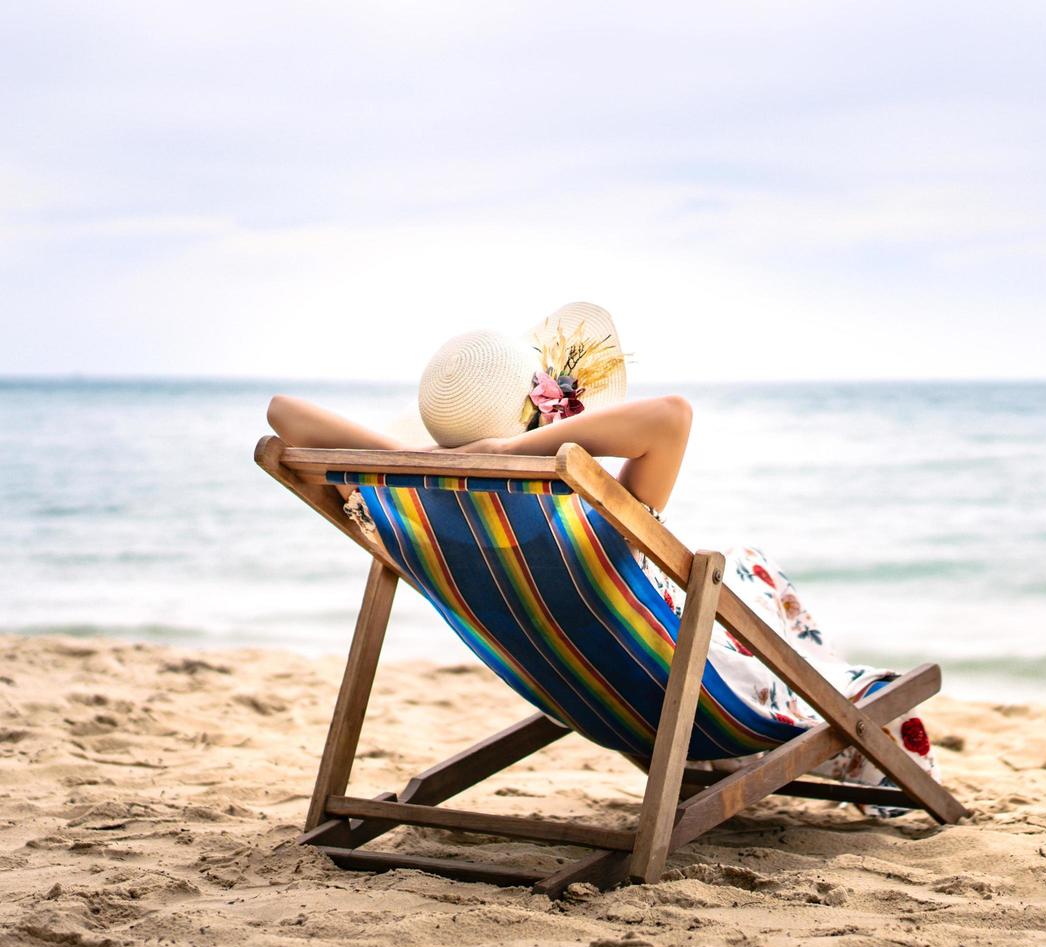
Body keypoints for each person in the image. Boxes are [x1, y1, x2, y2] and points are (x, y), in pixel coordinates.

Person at [265, 302, 937, 808]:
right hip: (698, 696)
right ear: (543, 416)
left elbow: (282, 414)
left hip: (585, 692)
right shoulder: (582, 508)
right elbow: (671, 415)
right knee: (737, 561)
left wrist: (429, 458)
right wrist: (515, 452)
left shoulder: (412, 502)